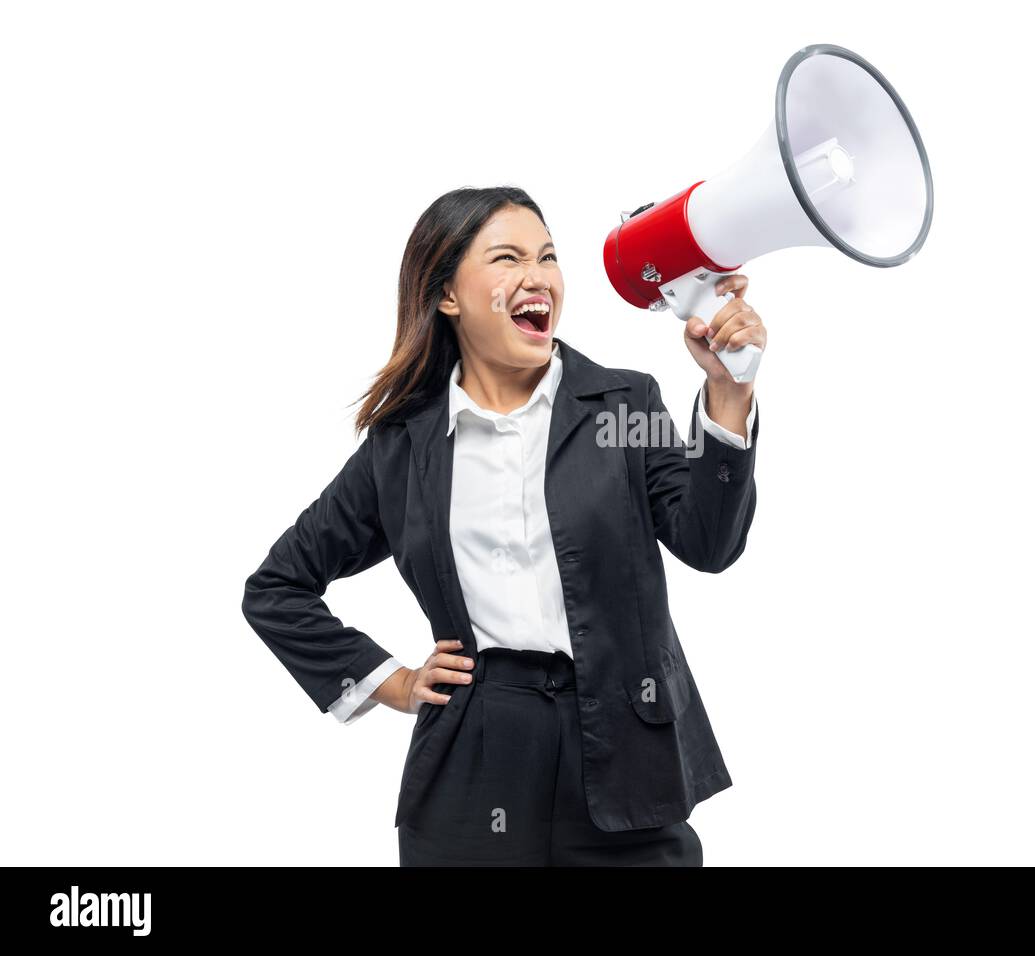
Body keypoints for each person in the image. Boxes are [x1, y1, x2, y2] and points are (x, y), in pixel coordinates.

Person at [242, 185, 764, 865]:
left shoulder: (622, 406)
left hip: (625, 759)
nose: (537, 276)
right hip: (471, 760)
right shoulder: (402, 447)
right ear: (448, 295)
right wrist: (391, 682)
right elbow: (277, 587)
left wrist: (730, 392)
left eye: (547, 257)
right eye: (507, 258)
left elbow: (710, 543)